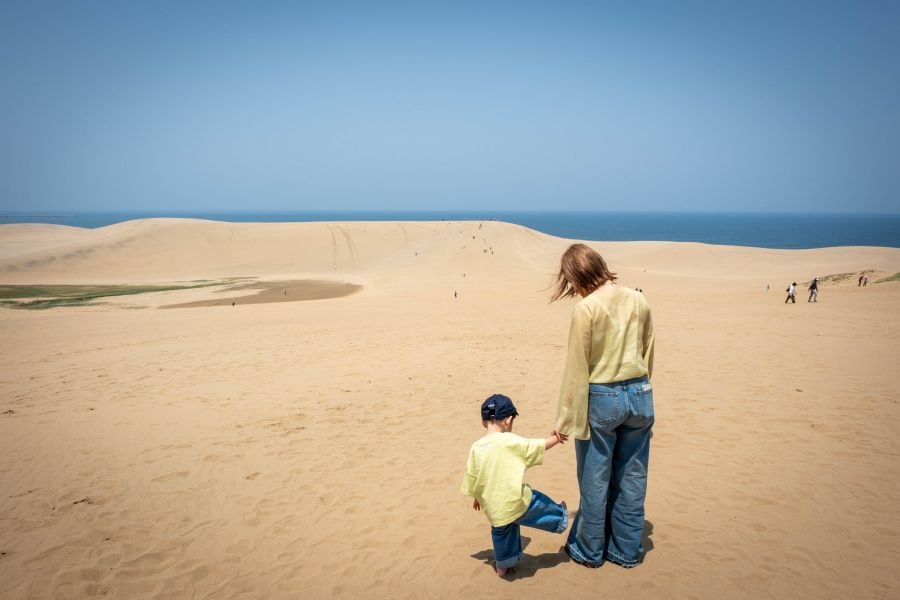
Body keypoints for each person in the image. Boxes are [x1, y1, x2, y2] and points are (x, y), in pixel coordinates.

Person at [551, 244, 655, 569]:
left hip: (602, 398)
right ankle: (625, 550)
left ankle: (590, 549)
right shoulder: (638, 298)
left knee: (594, 477)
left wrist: (565, 419)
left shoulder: (586, 308)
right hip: (640, 394)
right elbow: (647, 348)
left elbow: (577, 367)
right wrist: (640, 388)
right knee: (633, 475)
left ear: (576, 277)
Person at [461, 394, 569, 577]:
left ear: (483, 421)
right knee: (536, 502)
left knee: (502, 532)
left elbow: (472, 476)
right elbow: (535, 446)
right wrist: (556, 439)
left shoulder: (476, 447)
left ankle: (502, 566)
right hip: (516, 501)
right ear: (508, 420)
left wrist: (476, 497)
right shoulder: (510, 441)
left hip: (494, 509)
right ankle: (560, 517)